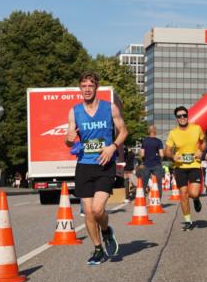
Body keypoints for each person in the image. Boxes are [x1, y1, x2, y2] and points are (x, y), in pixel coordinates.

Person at [65, 72, 127, 266]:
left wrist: (113, 147)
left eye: (90, 86)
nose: (87, 89)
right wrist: (68, 140)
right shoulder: (75, 111)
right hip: (84, 165)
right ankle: (98, 249)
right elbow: (69, 141)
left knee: (98, 209)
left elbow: (123, 131)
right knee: (89, 212)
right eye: (83, 86)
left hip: (104, 164)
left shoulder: (110, 108)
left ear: (96, 88)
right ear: (80, 89)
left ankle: (107, 230)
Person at [165, 105, 205, 231]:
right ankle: (188, 220)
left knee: (193, 193)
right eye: (179, 116)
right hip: (180, 167)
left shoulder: (196, 128)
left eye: (184, 115)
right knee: (183, 194)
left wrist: (201, 151)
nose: (182, 118)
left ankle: (196, 199)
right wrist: (172, 157)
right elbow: (166, 151)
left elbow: (204, 143)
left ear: (188, 116)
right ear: (176, 118)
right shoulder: (173, 133)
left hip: (194, 165)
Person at [139, 125, 164, 201]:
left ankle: (142, 201)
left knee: (144, 184)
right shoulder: (159, 141)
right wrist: (159, 160)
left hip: (146, 164)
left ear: (148, 131)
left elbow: (142, 154)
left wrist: (143, 160)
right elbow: (162, 154)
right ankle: (158, 201)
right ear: (155, 131)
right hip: (157, 164)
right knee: (158, 183)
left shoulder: (144, 141)